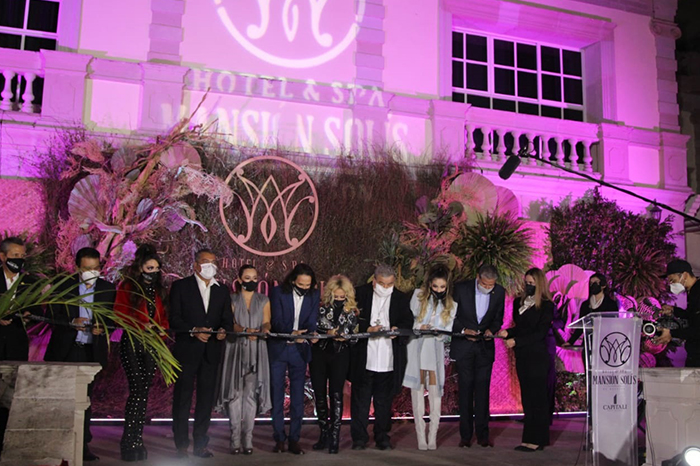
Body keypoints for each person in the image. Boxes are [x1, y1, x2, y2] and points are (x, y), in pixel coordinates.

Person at [44, 247, 116, 462]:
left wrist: (103, 328)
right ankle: (57, 446)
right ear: (77, 268)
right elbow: (51, 316)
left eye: (95, 268)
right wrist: (71, 322)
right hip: (66, 351)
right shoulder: (64, 286)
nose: (91, 273)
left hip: (90, 352)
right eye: (86, 269)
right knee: (61, 399)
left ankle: (82, 445)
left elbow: (112, 319)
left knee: (85, 401)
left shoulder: (107, 288)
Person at [169, 248, 233, 459]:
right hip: (187, 350)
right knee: (182, 398)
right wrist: (193, 330)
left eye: (214, 262)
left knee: (206, 400)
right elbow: (174, 318)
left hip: (211, 352)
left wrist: (223, 331)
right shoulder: (181, 287)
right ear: (196, 265)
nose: (210, 266)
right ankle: (181, 445)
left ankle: (200, 443)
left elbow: (227, 320)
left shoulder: (222, 290)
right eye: (206, 262)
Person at [114, 244, 169, 461]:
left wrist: (161, 328)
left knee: (143, 392)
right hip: (132, 342)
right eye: (149, 268)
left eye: (156, 268)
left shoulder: (159, 291)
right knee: (136, 390)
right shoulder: (128, 286)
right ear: (140, 268)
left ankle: (137, 439)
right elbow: (120, 313)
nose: (153, 272)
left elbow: (163, 317)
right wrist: (140, 325)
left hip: (152, 344)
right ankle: (129, 440)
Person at [350, 264, 413, 451]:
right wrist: (367, 329)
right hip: (364, 357)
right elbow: (350, 320)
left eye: (390, 284)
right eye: (382, 284)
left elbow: (407, 322)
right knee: (360, 401)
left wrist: (397, 330)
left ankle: (382, 436)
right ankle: (359, 438)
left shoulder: (401, 298)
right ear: (374, 281)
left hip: (388, 358)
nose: (386, 288)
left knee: (384, 402)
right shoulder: (360, 294)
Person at [215, 264, 271, 455]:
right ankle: (235, 439)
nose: (252, 281)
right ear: (239, 280)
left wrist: (264, 330)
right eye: (247, 278)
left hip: (256, 348)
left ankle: (248, 439)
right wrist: (246, 331)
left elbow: (267, 322)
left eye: (255, 278)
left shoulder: (263, 300)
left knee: (250, 395)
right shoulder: (231, 299)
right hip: (235, 348)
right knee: (235, 395)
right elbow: (230, 323)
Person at [498, 267, 554, 452]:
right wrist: (508, 332)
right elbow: (521, 328)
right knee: (527, 398)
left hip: (537, 356)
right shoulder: (519, 302)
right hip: (522, 356)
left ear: (539, 284)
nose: (528, 286)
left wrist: (517, 341)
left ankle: (538, 439)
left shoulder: (546, 305)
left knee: (538, 398)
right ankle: (528, 438)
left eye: (531, 283)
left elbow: (539, 333)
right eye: (526, 283)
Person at [402, 264, 457, 450]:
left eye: (442, 287)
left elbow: (447, 332)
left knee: (435, 393)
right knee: (417, 392)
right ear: (429, 284)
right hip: (417, 347)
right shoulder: (418, 296)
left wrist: (438, 331)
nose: (439, 290)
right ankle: (420, 436)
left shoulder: (451, 305)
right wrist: (420, 327)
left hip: (435, 349)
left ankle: (432, 435)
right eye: (435, 286)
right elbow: (410, 321)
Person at [451, 264, 505, 448]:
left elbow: (498, 318)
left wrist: (491, 330)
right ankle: (465, 436)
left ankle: (483, 435)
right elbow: (450, 316)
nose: (488, 288)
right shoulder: (461, 288)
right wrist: (464, 330)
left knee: (483, 392)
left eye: (491, 285)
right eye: (484, 284)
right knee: (465, 391)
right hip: (464, 347)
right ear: (477, 277)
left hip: (484, 349)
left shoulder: (500, 292)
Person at [268, 263, 319, 455]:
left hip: (300, 350)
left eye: (307, 285)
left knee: (298, 397)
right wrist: (291, 333)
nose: (304, 288)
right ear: (292, 280)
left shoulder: (313, 295)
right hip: (279, 348)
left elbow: (311, 320)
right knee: (277, 395)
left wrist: (311, 334)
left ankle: (294, 439)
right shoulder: (278, 292)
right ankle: (279, 438)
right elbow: (276, 321)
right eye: (301, 284)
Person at [0, 236, 41, 456]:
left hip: (16, 345)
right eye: (15, 255)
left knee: (10, 398)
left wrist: (29, 314)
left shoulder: (29, 282)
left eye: (22, 256)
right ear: (3, 256)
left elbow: (38, 310)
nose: (19, 259)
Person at [310, 275, 359, 454]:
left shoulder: (352, 313)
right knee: (319, 393)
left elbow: (355, 337)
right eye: (336, 296)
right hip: (320, 354)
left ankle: (335, 437)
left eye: (341, 296)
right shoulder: (321, 309)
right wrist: (327, 332)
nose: (338, 299)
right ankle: (324, 433)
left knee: (336, 394)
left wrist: (344, 337)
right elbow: (314, 327)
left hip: (340, 355)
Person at [655, 259, 700, 367]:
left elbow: (697, 328)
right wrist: (674, 310)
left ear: (685, 275)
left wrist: (672, 333)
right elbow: (692, 317)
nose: (671, 285)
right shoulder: (692, 291)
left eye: (673, 280)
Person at [563, 273, 618, 358]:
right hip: (588, 345)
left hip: (605, 344)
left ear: (603, 285)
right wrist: (570, 341)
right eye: (591, 283)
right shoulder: (585, 305)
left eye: (596, 282)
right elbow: (582, 325)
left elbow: (613, 325)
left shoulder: (611, 304)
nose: (593, 285)